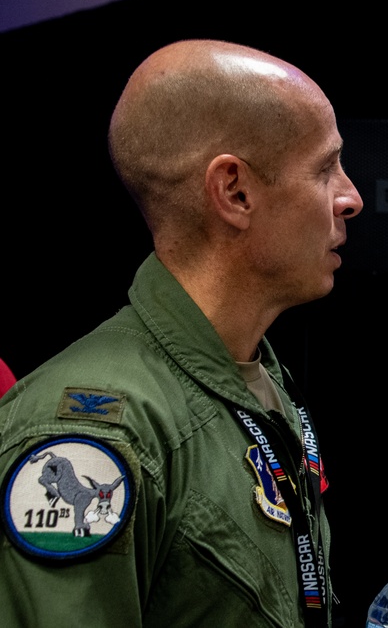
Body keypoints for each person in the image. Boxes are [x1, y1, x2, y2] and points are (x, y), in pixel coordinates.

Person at [0, 40, 363, 627]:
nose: (351, 198)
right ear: (235, 192)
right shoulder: (94, 429)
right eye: (325, 169)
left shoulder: (256, 375)